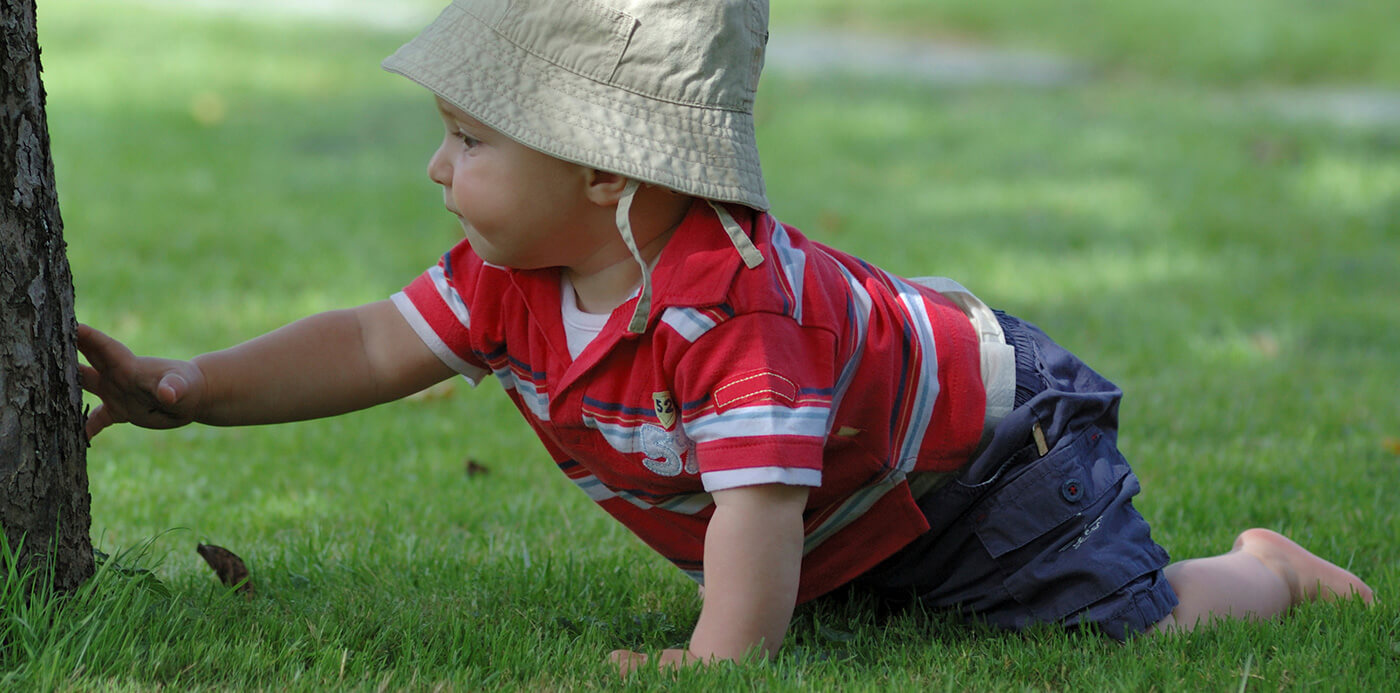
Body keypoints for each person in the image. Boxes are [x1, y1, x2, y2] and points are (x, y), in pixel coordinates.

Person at [77, 0, 1373, 673]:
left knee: (1112, 619)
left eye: (471, 141)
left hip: (992, 457)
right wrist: (188, 389)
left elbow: (756, 502)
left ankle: (1263, 569)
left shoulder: (732, 310)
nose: (436, 166)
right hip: (861, 486)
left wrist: (722, 651)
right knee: (893, 597)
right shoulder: (508, 274)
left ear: (610, 175)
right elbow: (367, 345)